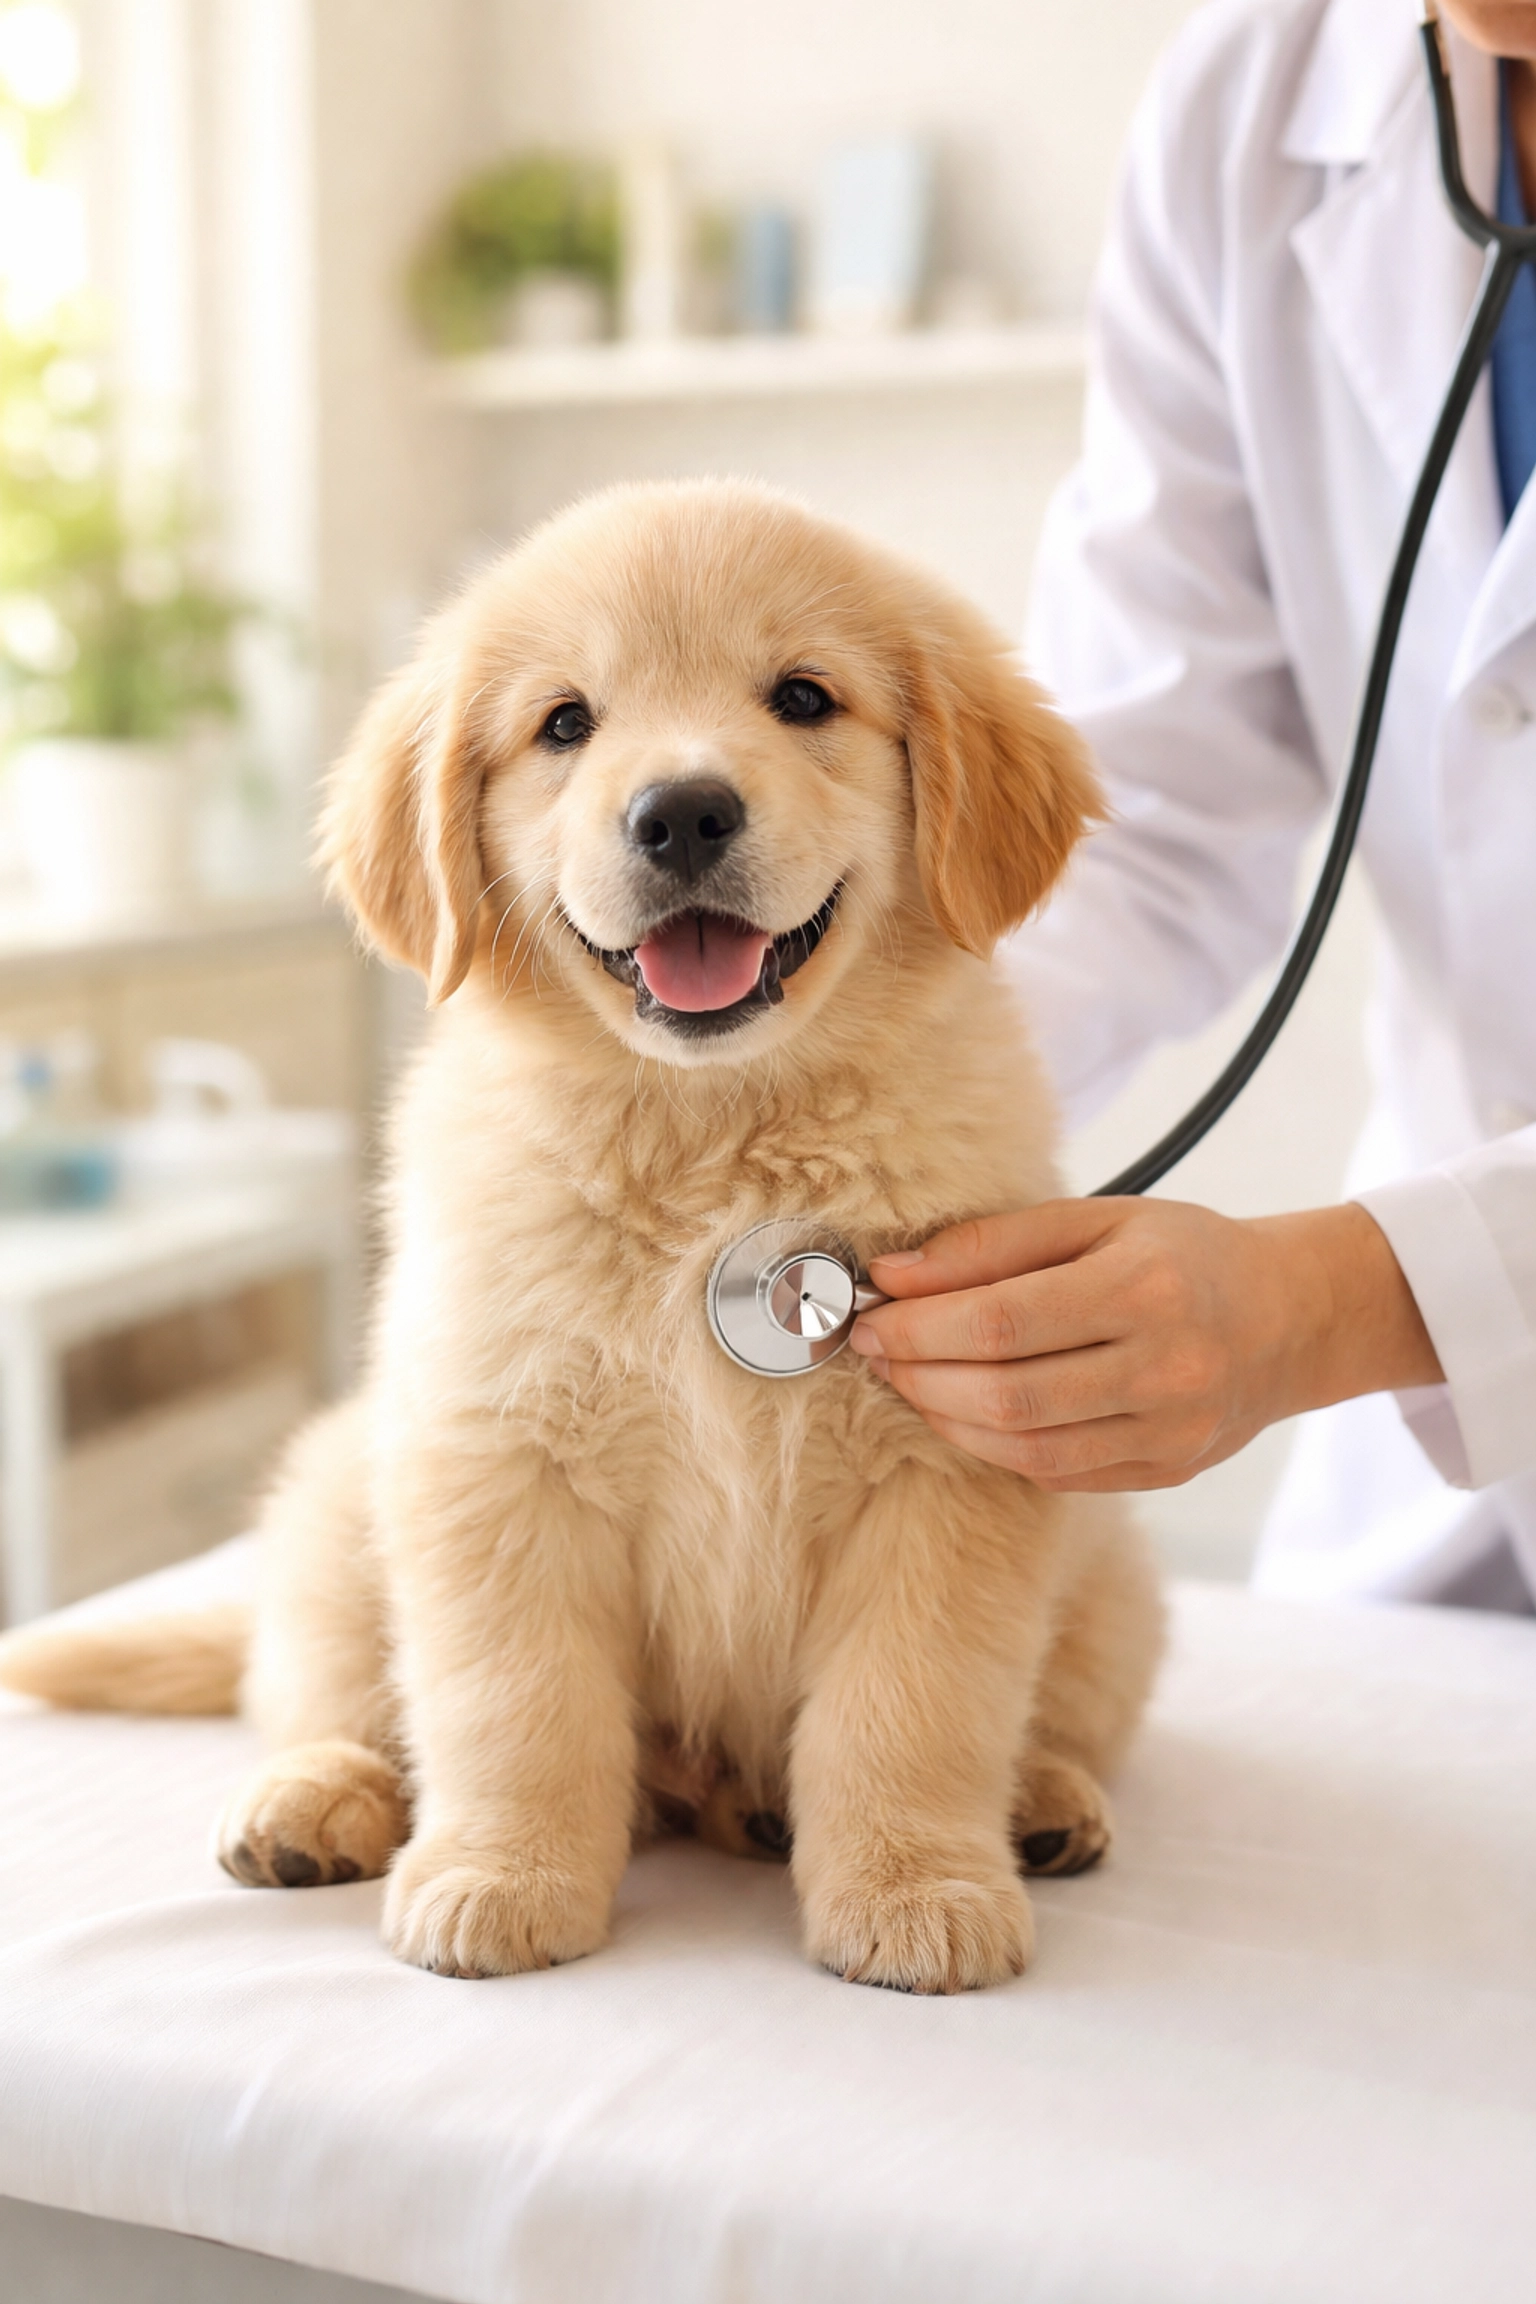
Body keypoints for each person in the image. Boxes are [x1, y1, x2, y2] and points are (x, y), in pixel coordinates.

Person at [849, 0, 1536, 1610]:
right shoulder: (1260, 97)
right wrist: (838, 1083)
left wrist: (1332, 1301)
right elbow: (1144, 809)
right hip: (1450, 1516)